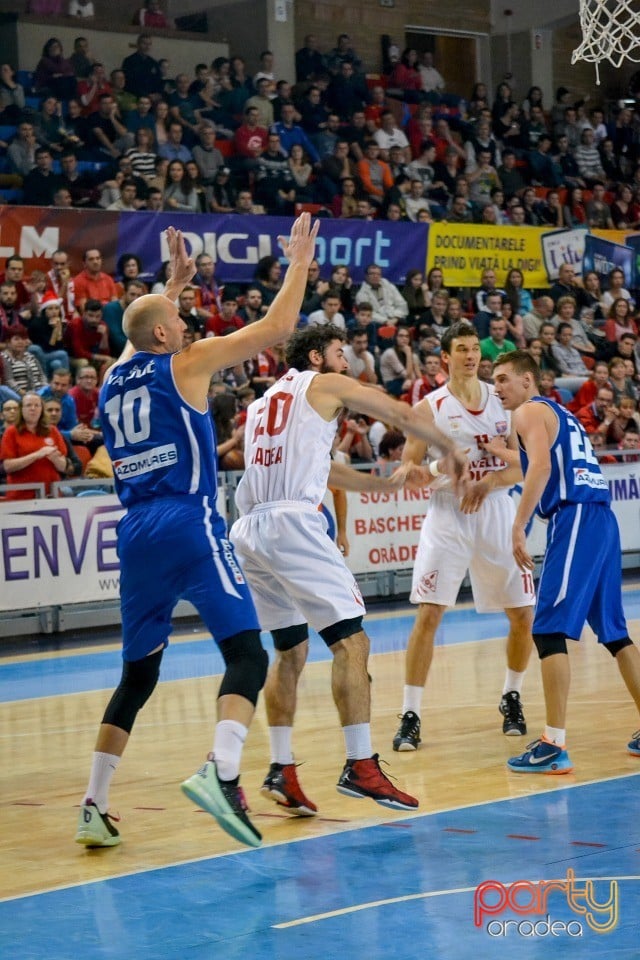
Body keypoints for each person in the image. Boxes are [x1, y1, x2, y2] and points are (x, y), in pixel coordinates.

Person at [74, 214, 320, 852]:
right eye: (179, 322)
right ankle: (223, 770)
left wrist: (172, 286)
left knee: (137, 677)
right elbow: (278, 329)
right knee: (247, 654)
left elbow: (139, 329)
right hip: (187, 518)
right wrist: (296, 263)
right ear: (164, 334)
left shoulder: (110, 381)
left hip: (133, 532)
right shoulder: (182, 364)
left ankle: (93, 805)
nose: (188, 326)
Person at [229, 324, 467, 816]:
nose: (348, 362)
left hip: (251, 527)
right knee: (352, 643)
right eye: (341, 352)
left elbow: (323, 470)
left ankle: (280, 768)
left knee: (290, 650)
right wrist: (452, 448)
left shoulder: (262, 406)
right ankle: (361, 764)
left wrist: (383, 487)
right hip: (292, 522)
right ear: (316, 356)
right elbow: (398, 412)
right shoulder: (324, 384)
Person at [491, 350, 640, 772]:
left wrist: (519, 525)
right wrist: (497, 458)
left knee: (548, 629)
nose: (497, 387)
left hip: (574, 518)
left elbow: (538, 467)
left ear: (527, 380)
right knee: (614, 633)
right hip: (601, 519)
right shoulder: (561, 414)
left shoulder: (527, 412)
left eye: (504, 379)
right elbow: (536, 464)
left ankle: (553, 744)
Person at [392, 321, 534, 753]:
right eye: (462, 349)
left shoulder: (503, 402)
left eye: (475, 349)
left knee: (523, 615)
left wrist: (485, 484)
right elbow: (406, 471)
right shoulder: (429, 407)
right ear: (445, 359)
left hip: (495, 511)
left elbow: (521, 466)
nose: (472, 356)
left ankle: (512, 695)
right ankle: (410, 714)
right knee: (429, 614)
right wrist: (426, 473)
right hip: (448, 516)